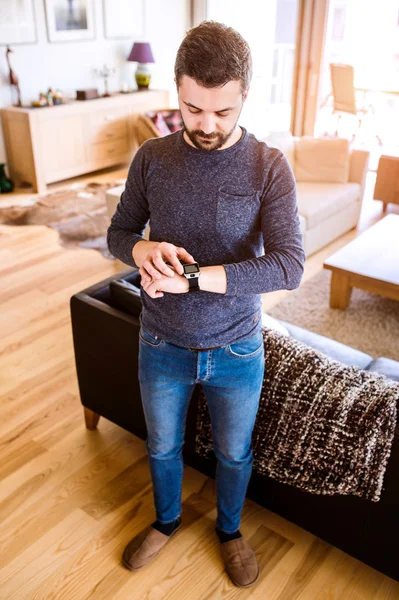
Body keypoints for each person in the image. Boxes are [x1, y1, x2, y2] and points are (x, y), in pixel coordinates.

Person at [107, 20, 306, 589]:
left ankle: (229, 530)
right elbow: (118, 233)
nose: (207, 125)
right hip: (160, 341)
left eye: (222, 112)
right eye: (194, 109)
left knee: (234, 453)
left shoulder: (269, 166)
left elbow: (289, 266)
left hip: (238, 346)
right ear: (178, 89)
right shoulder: (151, 157)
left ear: (245, 94)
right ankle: (166, 521)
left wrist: (192, 278)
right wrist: (144, 248)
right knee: (163, 446)